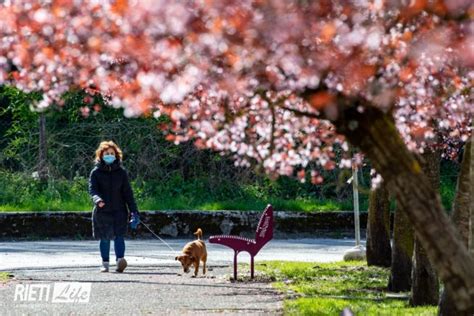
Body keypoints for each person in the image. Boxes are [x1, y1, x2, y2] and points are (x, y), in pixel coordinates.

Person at [88, 140, 140, 273]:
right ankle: (105, 264)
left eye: (112, 153)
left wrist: (134, 211)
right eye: (106, 153)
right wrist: (97, 200)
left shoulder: (121, 173)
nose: (109, 155)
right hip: (102, 211)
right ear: (101, 155)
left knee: (119, 237)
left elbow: (128, 193)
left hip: (120, 211)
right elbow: (92, 190)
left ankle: (120, 261)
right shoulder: (95, 173)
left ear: (116, 155)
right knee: (104, 238)